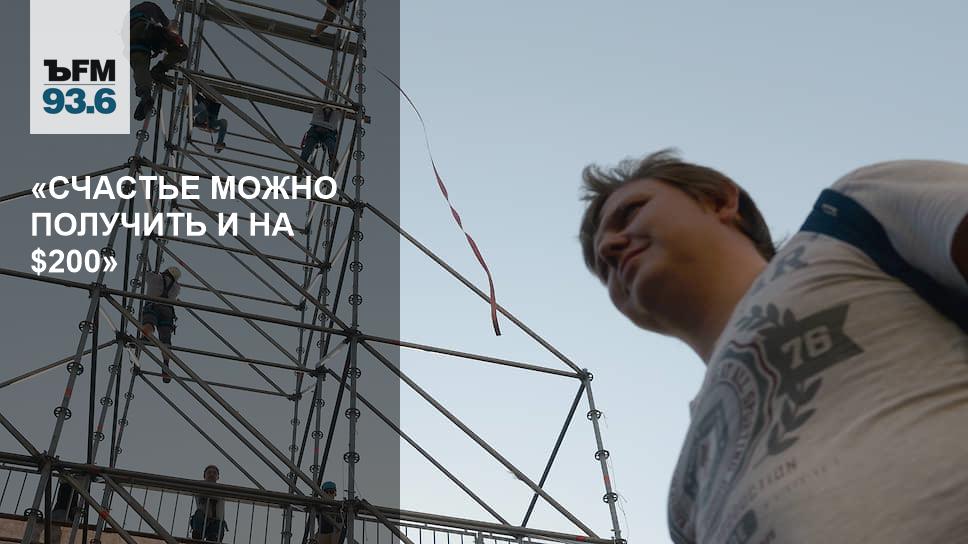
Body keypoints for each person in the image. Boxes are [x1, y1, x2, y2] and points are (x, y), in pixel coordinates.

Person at [578, 151, 968, 543]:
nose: (609, 246)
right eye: (601, 267)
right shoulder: (683, 498)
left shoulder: (848, 222)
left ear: (719, 200)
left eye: (630, 212)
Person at [130, 2, 188, 121]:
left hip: (131, 38)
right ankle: (158, 70)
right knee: (181, 50)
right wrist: (173, 37)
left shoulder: (131, 15)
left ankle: (145, 94)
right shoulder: (152, 7)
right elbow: (168, 27)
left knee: (140, 64)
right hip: (144, 29)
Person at [139, 266, 182, 382]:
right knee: (165, 340)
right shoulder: (177, 287)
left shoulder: (154, 277)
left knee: (149, 323)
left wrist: (150, 272)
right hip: (168, 311)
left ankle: (145, 337)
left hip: (153, 305)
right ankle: (166, 363)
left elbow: (141, 273)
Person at [296, 105, 343, 177]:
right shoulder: (323, 111)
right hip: (320, 130)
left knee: (329, 144)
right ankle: (301, 166)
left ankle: (333, 160)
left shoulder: (333, 113)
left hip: (324, 131)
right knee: (310, 147)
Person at [190, 465, 228, 542]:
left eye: (214, 473)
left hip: (216, 524)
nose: (211, 474)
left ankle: (212, 538)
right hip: (202, 522)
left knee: (217, 525)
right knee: (198, 513)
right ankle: (197, 535)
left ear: (218, 477)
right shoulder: (198, 487)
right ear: (204, 476)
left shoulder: (222, 489)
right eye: (209, 472)